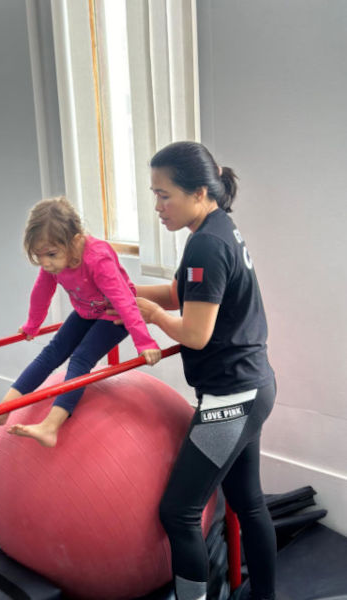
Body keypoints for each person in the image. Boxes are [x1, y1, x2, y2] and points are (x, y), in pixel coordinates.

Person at [130, 141, 276, 600]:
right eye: (154, 194)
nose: (157, 206)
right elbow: (181, 293)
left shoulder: (207, 244)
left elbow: (194, 333)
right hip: (251, 385)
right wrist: (120, 291)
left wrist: (152, 317)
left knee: (178, 512)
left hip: (233, 398)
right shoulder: (215, 228)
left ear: (198, 192)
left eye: (164, 195)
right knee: (248, 503)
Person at [0, 196, 161, 448]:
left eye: (51, 254)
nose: (46, 263)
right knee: (51, 353)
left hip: (115, 315)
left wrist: (145, 343)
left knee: (80, 358)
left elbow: (124, 301)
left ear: (76, 240)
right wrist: (33, 325)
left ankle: (50, 426)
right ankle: (4, 409)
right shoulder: (54, 264)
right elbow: (41, 292)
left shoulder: (97, 259)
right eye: (39, 256)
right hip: (86, 311)